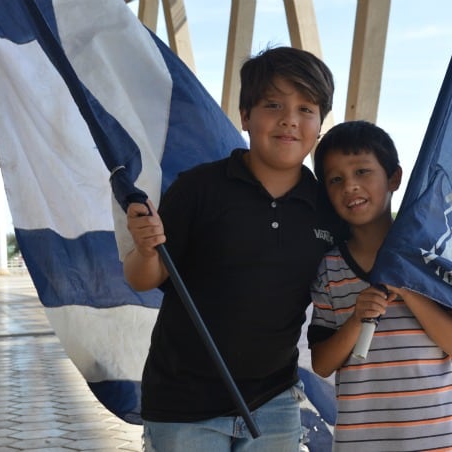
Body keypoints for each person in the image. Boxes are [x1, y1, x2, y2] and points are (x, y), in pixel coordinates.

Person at [125, 46, 344, 451]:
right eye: (273, 104)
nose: (289, 121)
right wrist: (146, 249)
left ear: (320, 125)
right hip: (183, 404)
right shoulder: (199, 188)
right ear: (245, 115)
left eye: (306, 109)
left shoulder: (327, 209)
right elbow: (144, 277)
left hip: (274, 402)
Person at [307, 121, 452, 451]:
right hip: (361, 442)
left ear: (394, 177)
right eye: (335, 179)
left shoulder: (432, 256)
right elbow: (322, 363)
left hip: (439, 440)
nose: (350, 186)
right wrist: (356, 319)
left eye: (362, 172)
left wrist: (410, 289)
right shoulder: (330, 267)